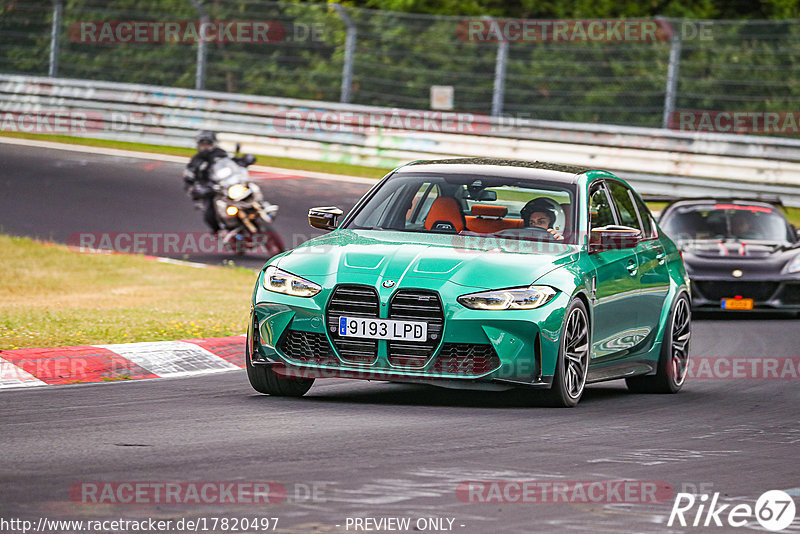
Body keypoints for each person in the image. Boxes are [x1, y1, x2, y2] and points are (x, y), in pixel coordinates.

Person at [183, 130, 229, 233]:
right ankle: (219, 232)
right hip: (210, 191)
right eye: (203, 144)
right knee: (209, 213)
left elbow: (234, 161)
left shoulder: (221, 153)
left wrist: (245, 160)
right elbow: (188, 179)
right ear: (198, 145)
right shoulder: (195, 161)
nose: (205, 147)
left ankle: (261, 207)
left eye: (208, 144)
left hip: (226, 184)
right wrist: (195, 190)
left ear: (213, 144)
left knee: (247, 188)